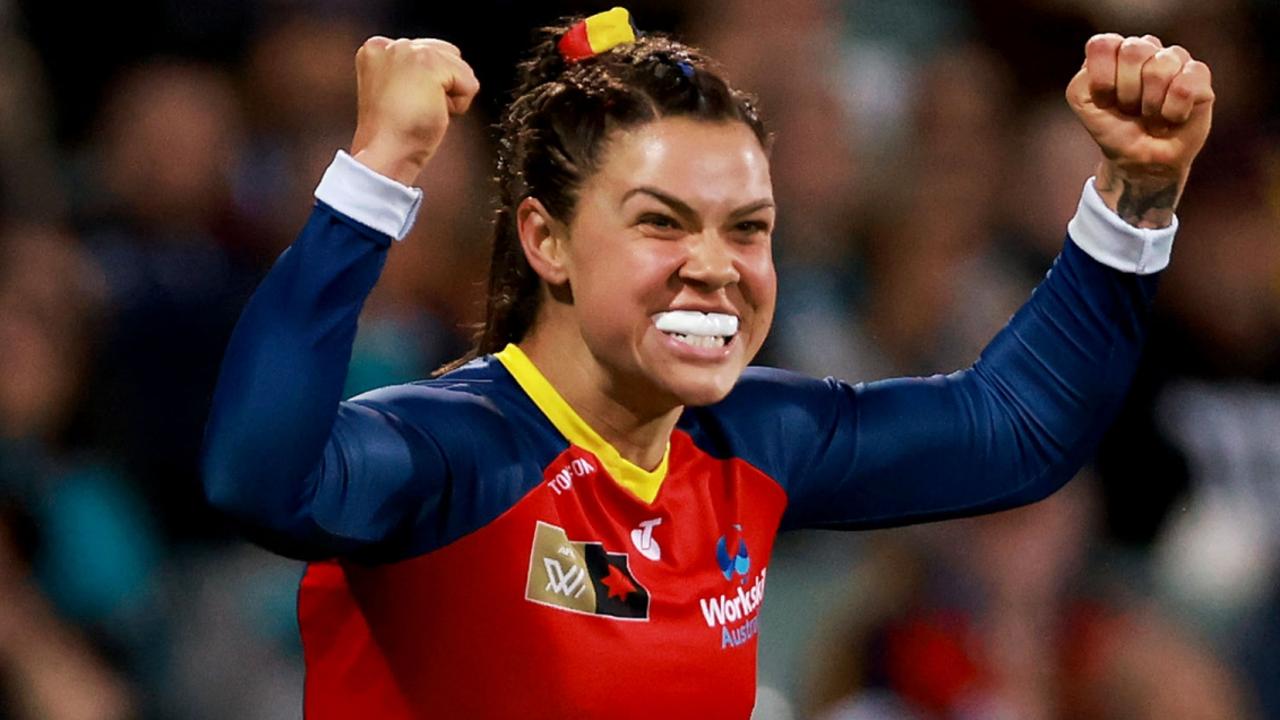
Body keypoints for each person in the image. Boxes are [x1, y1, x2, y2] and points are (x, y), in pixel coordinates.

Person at [201, 8, 1214, 718]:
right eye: (659, 223)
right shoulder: (454, 455)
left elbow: (1015, 433)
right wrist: (375, 175)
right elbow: (256, 480)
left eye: (747, 229)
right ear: (544, 240)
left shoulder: (751, 444)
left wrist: (1133, 194)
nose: (714, 269)